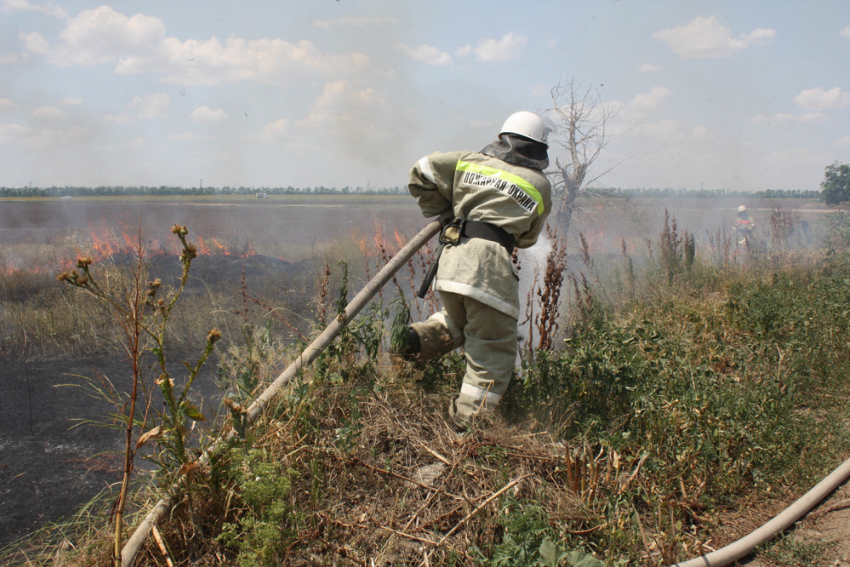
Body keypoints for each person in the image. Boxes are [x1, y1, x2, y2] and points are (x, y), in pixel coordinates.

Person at [403, 111, 553, 432]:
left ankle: (412, 341)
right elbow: (527, 237)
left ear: (502, 138)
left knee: (458, 323)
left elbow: (422, 171)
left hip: (453, 261)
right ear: (540, 148)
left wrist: (445, 213)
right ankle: (464, 432)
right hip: (489, 269)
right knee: (492, 353)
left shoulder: (468, 161)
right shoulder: (539, 185)